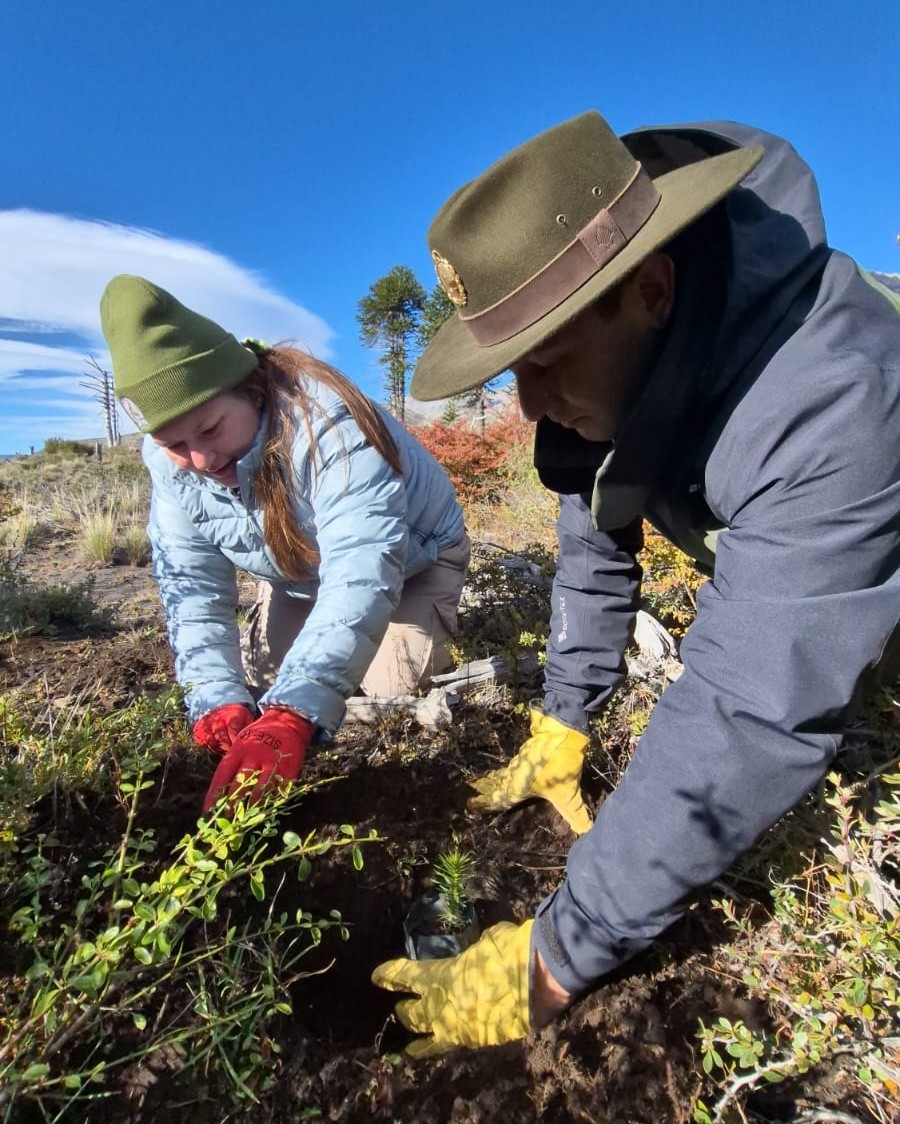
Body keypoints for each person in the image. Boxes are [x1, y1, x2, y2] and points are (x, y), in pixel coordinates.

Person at [372, 110, 899, 1056]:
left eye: (544, 361)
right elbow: (595, 518)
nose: (528, 406)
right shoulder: (619, 367)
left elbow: (749, 707)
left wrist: (553, 957)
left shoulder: (829, 396)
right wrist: (564, 719)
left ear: (651, 288)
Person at [100, 275, 470, 813]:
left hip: (414, 559)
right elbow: (193, 590)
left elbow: (363, 567)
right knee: (262, 690)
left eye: (210, 429)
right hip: (299, 576)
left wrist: (294, 714)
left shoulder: (328, 425)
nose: (200, 460)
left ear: (250, 389)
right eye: (175, 443)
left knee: (390, 690)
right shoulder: (172, 468)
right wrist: (213, 697)